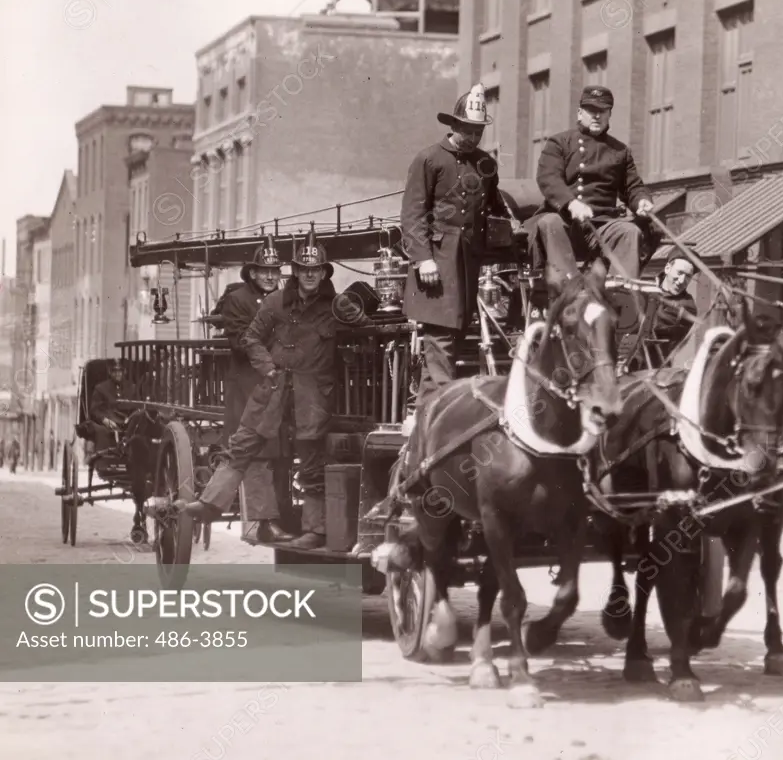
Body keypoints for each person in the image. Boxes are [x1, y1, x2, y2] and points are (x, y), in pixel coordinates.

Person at [180, 230, 372, 550]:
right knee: (242, 443)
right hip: (273, 389)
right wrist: (268, 368)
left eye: (316, 269)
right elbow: (251, 338)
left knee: (310, 460)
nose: (310, 275)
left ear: (324, 272)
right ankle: (211, 503)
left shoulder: (335, 306)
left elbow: (363, 328)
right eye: (303, 269)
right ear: (295, 271)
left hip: (313, 395)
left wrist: (357, 314)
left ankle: (315, 531)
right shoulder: (275, 301)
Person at [399, 82, 509, 435]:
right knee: (441, 339)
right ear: (455, 125)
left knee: (452, 338)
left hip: (467, 263)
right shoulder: (429, 159)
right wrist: (422, 259)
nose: (473, 136)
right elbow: (412, 214)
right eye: (468, 129)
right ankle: (445, 415)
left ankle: (424, 419)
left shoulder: (485, 164)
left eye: (478, 130)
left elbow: (494, 209)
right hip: (437, 262)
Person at [201, 238, 294, 544]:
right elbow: (242, 341)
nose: (270, 275)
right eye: (264, 270)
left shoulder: (285, 299)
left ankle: (280, 516)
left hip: (277, 385)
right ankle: (262, 522)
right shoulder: (238, 300)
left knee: (280, 452)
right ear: (252, 273)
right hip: (248, 385)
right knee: (257, 452)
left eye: (274, 270)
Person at [527, 85, 655, 286]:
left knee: (629, 231)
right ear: (580, 113)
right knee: (549, 222)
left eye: (602, 111)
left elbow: (633, 187)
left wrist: (642, 201)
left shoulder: (620, 151)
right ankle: (568, 289)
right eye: (591, 110)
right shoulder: (560, 143)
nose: (596, 116)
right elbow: (548, 178)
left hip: (603, 224)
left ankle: (622, 294)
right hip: (566, 222)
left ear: (609, 114)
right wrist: (571, 203)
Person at [89, 359, 138, 454]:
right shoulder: (100, 388)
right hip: (109, 423)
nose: (117, 374)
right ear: (110, 372)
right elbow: (94, 410)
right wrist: (105, 420)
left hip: (129, 423)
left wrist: (131, 420)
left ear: (124, 372)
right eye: (114, 371)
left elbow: (137, 408)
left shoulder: (132, 388)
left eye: (120, 371)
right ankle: (104, 457)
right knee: (101, 432)